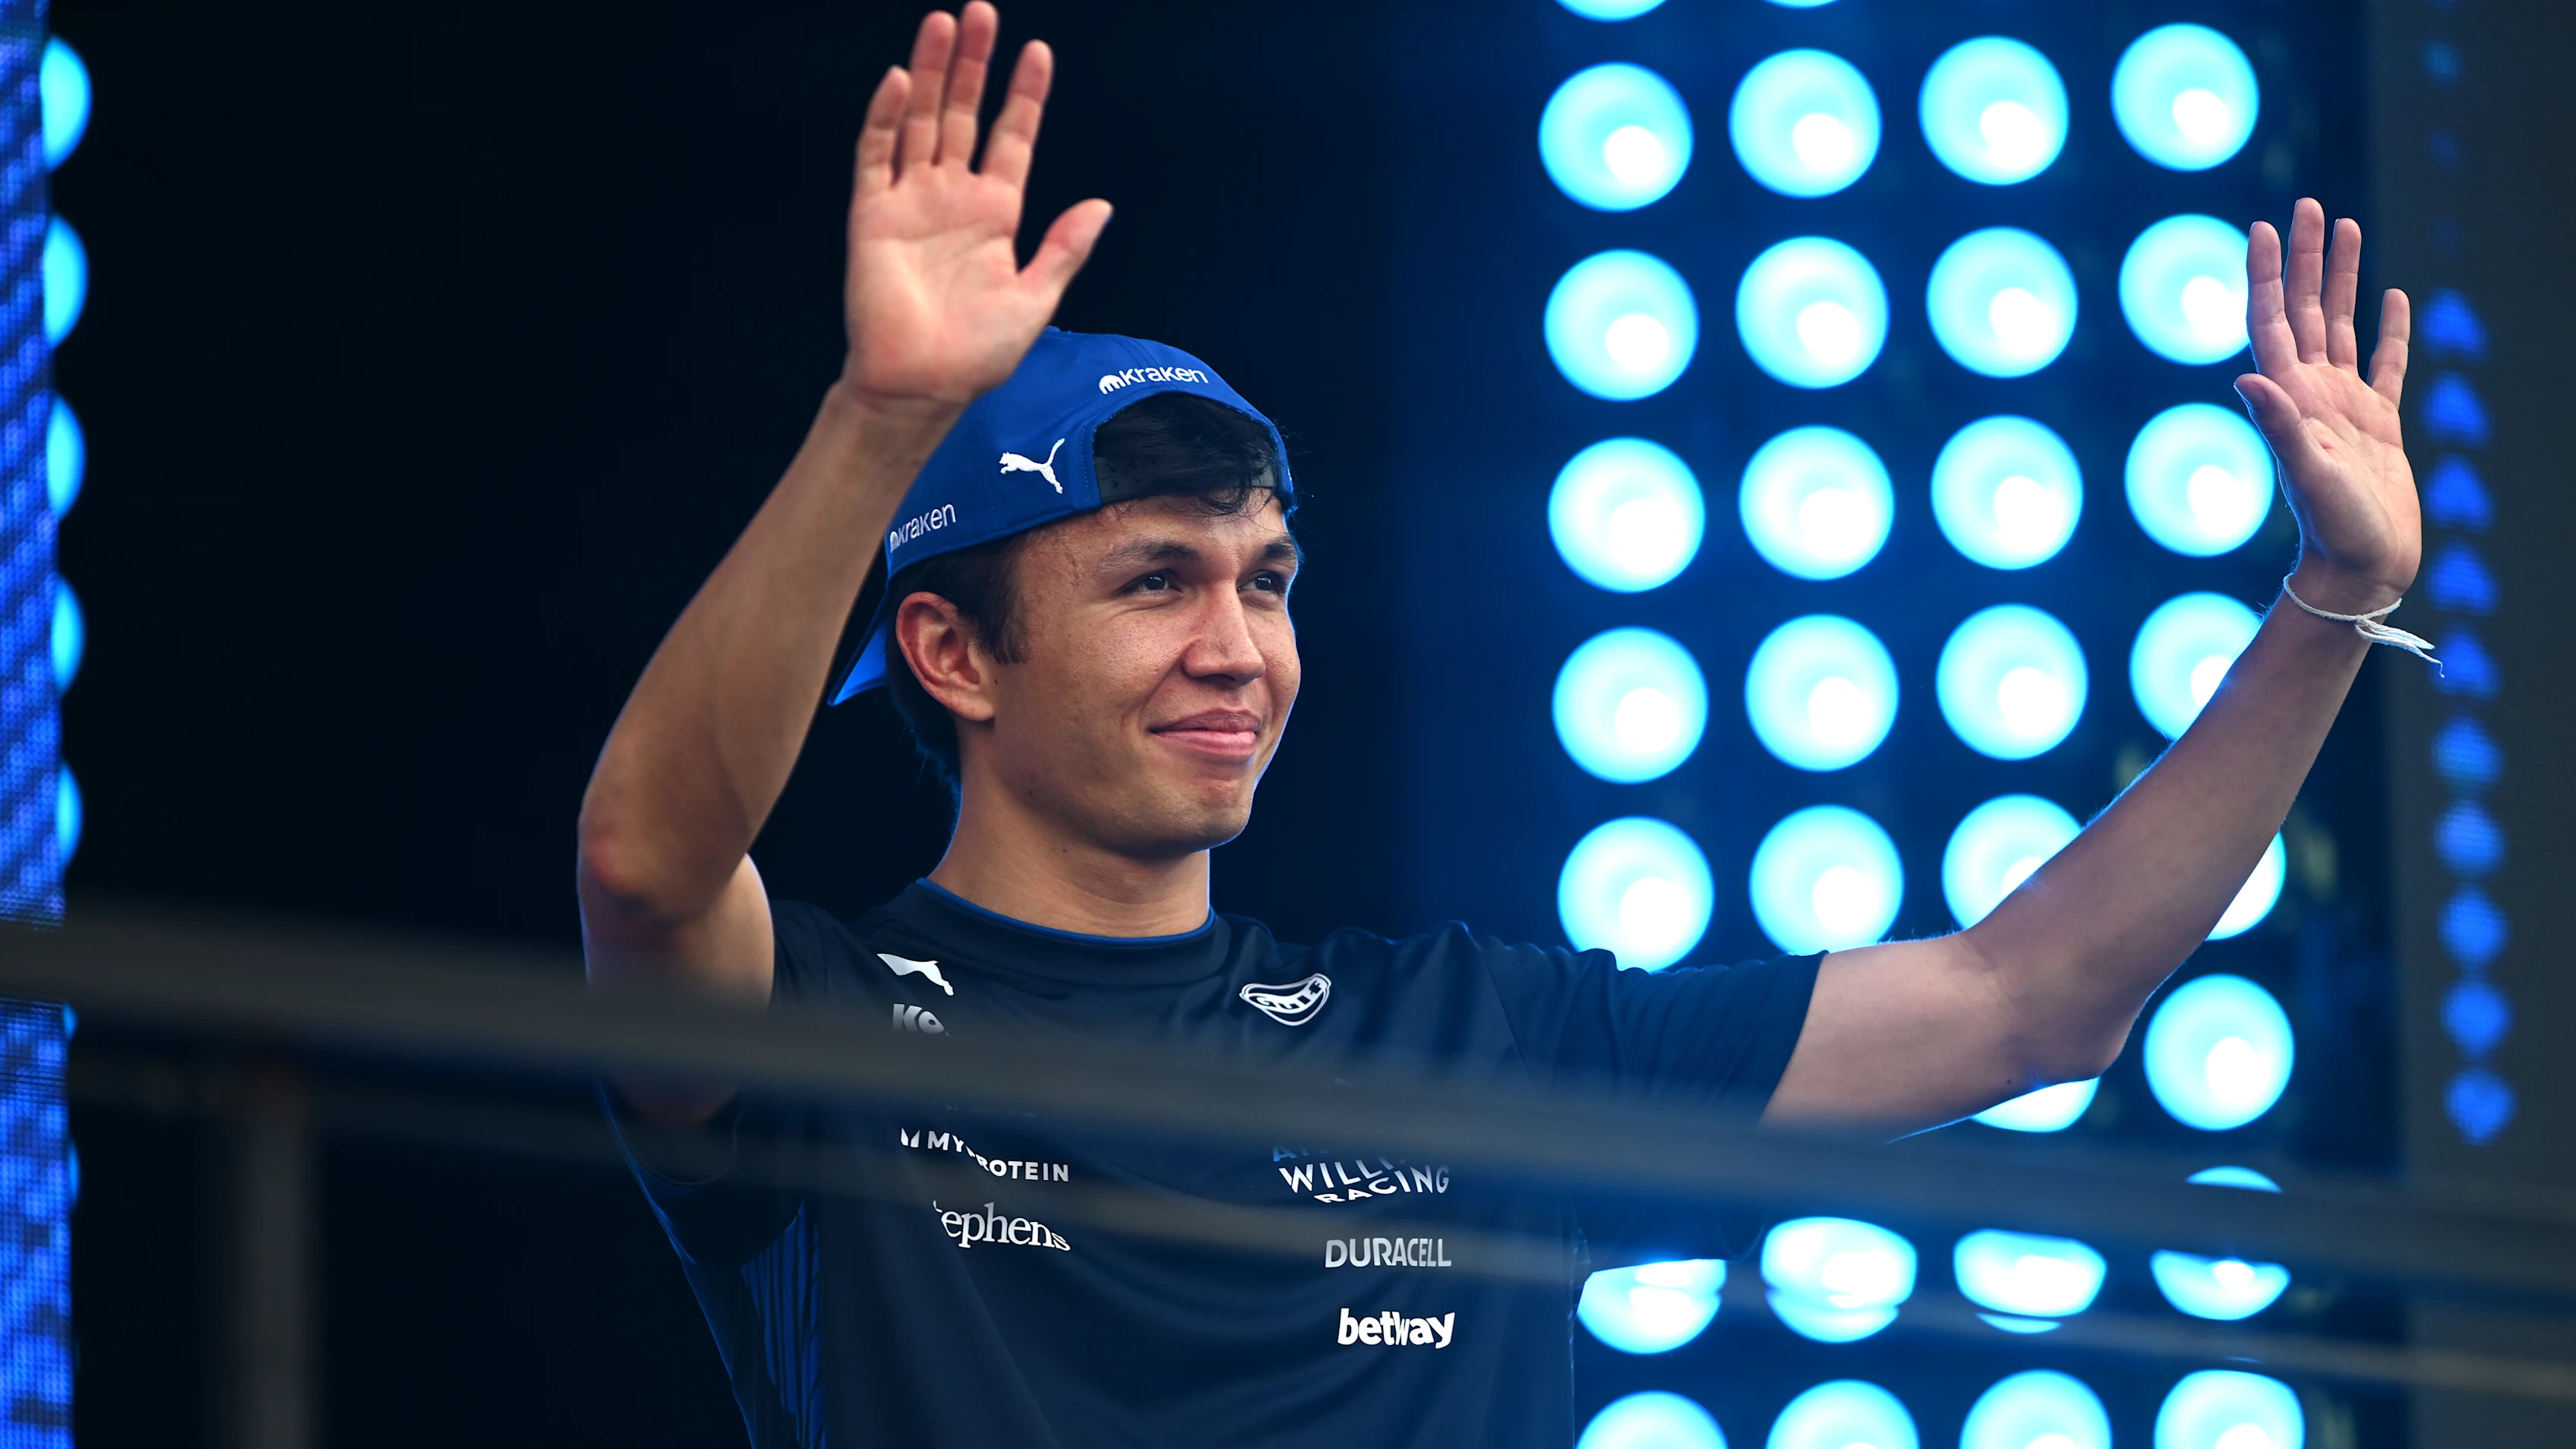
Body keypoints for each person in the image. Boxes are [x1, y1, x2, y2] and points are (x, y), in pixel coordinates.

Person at [576, 5, 2423, 1445]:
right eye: (1155, 583)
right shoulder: (831, 1021)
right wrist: (885, 414)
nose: (1241, 647)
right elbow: (650, 864)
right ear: (951, 656)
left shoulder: (1465, 1037)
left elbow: (2034, 1000)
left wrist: (2328, 603)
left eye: (1271, 582)